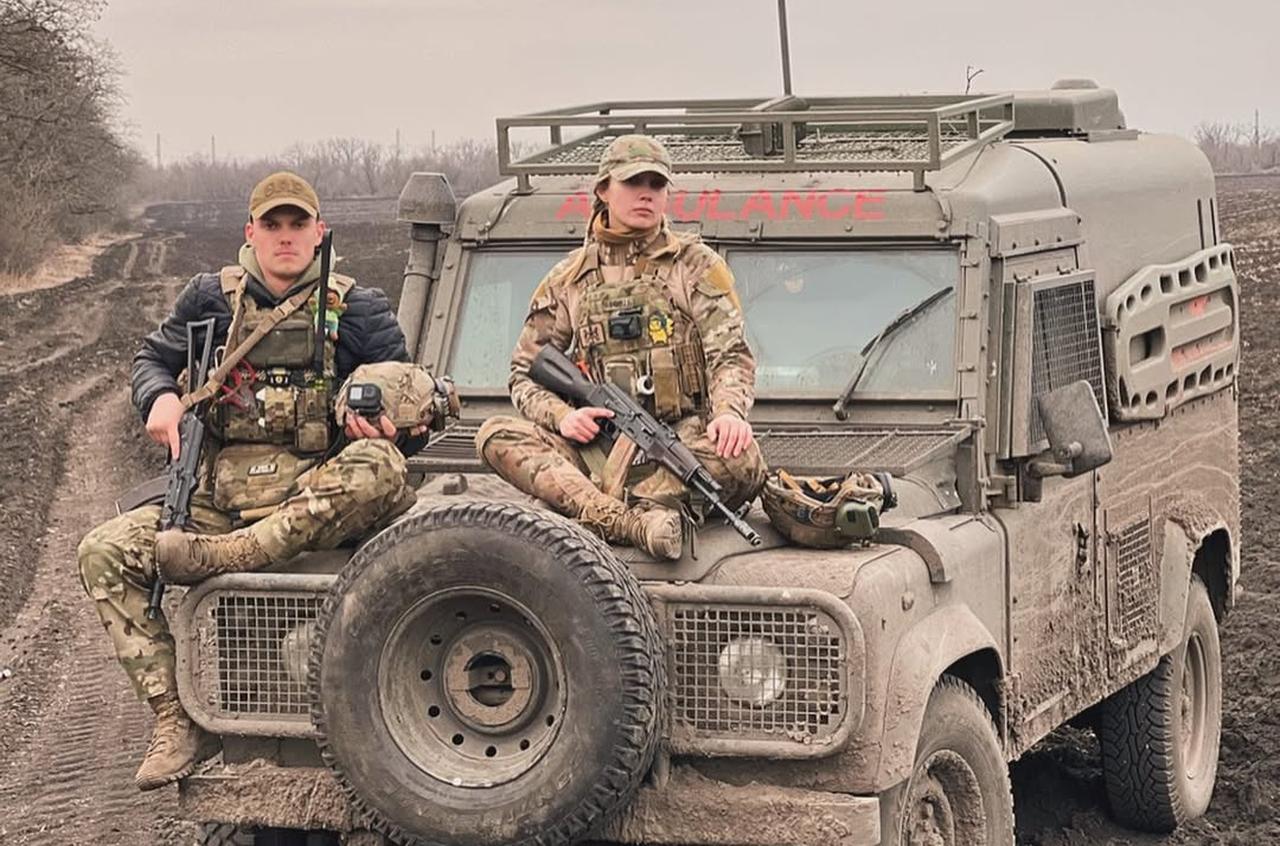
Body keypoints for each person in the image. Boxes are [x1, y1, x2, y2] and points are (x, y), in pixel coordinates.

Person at [77, 172, 425, 791]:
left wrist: (387, 420)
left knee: (383, 469)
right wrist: (158, 398)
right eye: (273, 225)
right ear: (251, 232)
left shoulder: (359, 309)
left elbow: (411, 400)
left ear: (320, 233)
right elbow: (153, 359)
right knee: (101, 551)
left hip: (314, 498)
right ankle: (177, 720)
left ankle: (232, 558)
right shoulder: (210, 299)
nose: (286, 237)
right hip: (220, 501)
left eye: (298, 225)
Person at [477, 135, 767, 559]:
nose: (647, 193)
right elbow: (524, 373)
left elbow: (730, 354)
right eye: (633, 182)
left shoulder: (695, 265)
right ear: (603, 190)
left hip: (679, 444)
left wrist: (728, 413)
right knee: (495, 435)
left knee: (744, 459)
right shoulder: (568, 280)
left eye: (657, 184)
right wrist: (564, 416)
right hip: (595, 449)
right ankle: (628, 522)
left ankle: (590, 507)